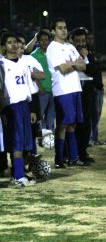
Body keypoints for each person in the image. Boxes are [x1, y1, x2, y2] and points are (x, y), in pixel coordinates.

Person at [45, 18, 87, 168]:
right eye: (60, 28)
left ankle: (73, 158)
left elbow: (83, 65)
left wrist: (73, 64)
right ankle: (59, 159)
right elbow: (62, 69)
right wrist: (75, 63)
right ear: (53, 31)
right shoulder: (53, 48)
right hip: (62, 91)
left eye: (65, 27)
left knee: (72, 124)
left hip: (75, 88)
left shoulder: (70, 46)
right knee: (63, 124)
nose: (63, 30)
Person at [0, 32, 36, 187]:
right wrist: (2, 112)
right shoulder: (1, 65)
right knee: (16, 142)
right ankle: (18, 176)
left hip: (24, 106)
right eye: (9, 42)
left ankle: (18, 174)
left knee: (23, 143)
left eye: (15, 42)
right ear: (3, 46)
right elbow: (0, 91)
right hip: (11, 107)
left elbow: (29, 86)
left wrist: (32, 109)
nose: (14, 45)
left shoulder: (23, 63)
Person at [70, 28, 96, 163]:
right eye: (78, 41)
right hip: (73, 91)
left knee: (86, 122)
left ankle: (83, 152)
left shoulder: (88, 54)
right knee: (74, 123)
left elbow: (94, 71)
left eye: (83, 41)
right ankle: (71, 153)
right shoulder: (69, 53)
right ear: (72, 41)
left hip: (87, 91)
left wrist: (86, 57)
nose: (81, 43)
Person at [30, 29, 55, 133]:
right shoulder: (33, 56)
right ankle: (42, 136)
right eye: (42, 40)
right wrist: (39, 87)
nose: (44, 42)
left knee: (51, 116)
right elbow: (32, 75)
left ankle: (50, 137)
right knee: (40, 116)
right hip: (42, 92)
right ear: (38, 41)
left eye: (46, 40)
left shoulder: (52, 53)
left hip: (53, 90)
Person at [86, 30, 105, 145]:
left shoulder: (92, 53)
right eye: (89, 39)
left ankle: (95, 137)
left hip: (99, 87)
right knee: (93, 114)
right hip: (92, 88)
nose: (91, 41)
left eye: (92, 39)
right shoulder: (86, 54)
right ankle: (90, 138)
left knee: (97, 114)